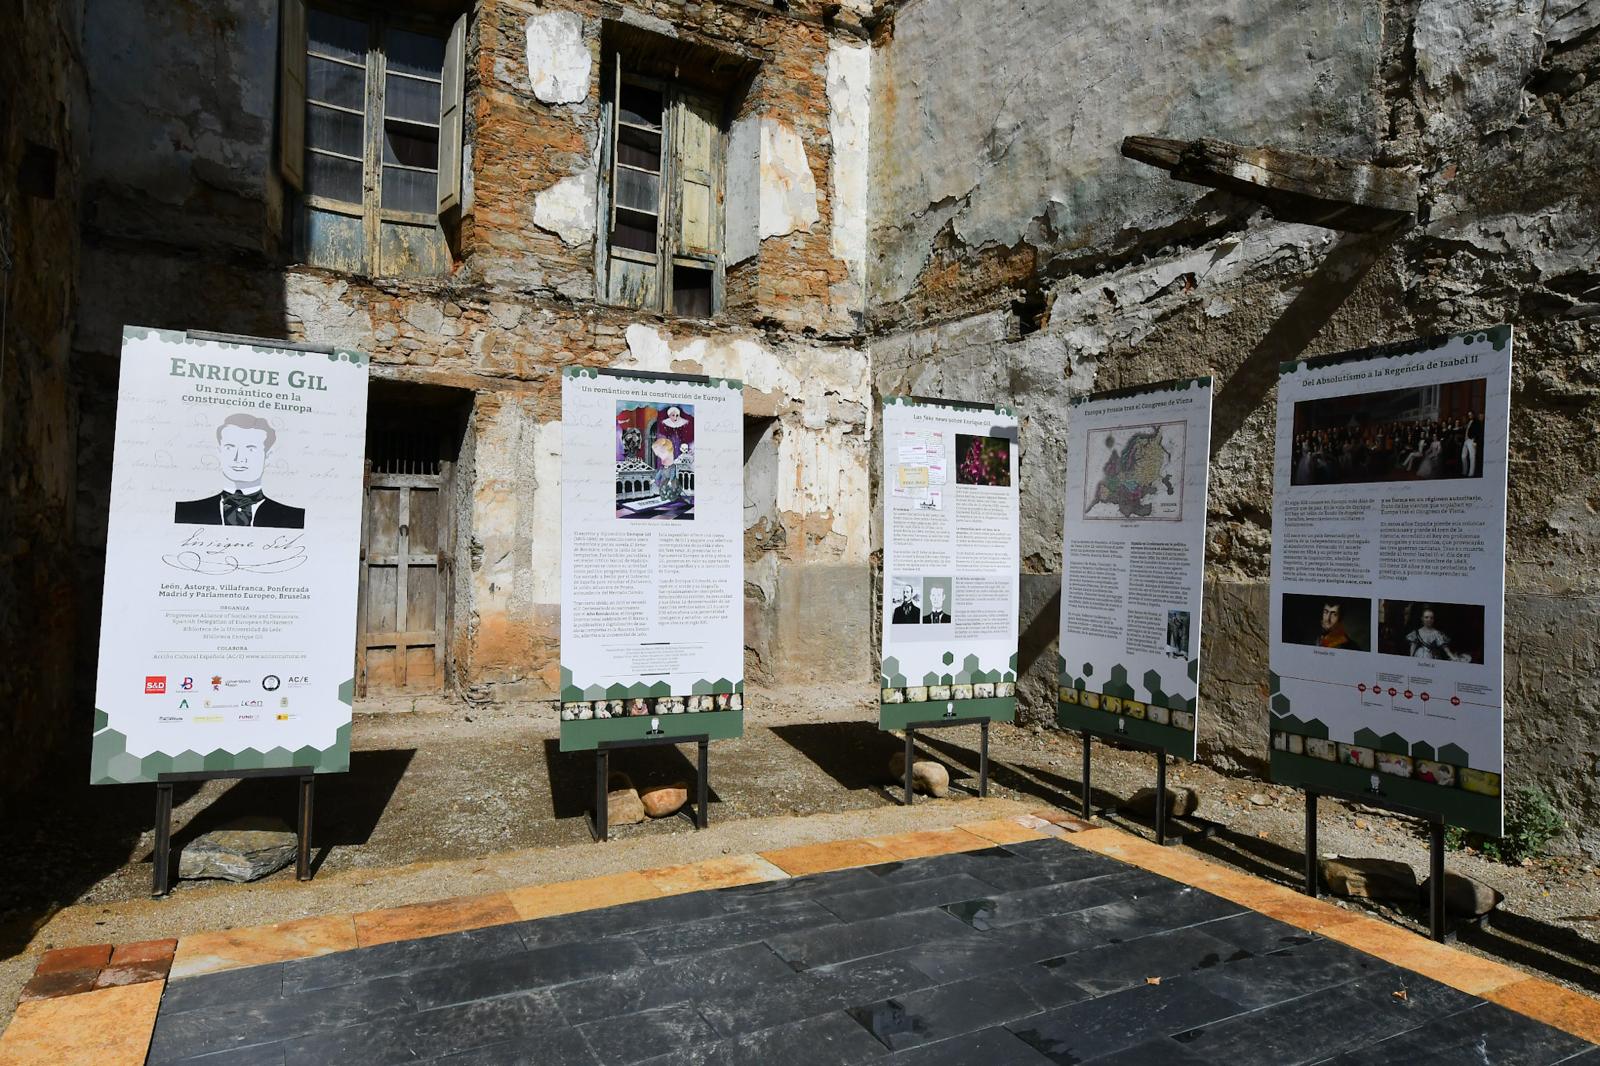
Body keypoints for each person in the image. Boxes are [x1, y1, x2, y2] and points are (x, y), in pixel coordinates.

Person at [174, 413, 305, 528]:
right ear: (219, 452)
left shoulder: (296, 518)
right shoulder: (184, 512)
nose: (239, 458)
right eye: (230, 447)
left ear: (268, 456)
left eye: (251, 449)